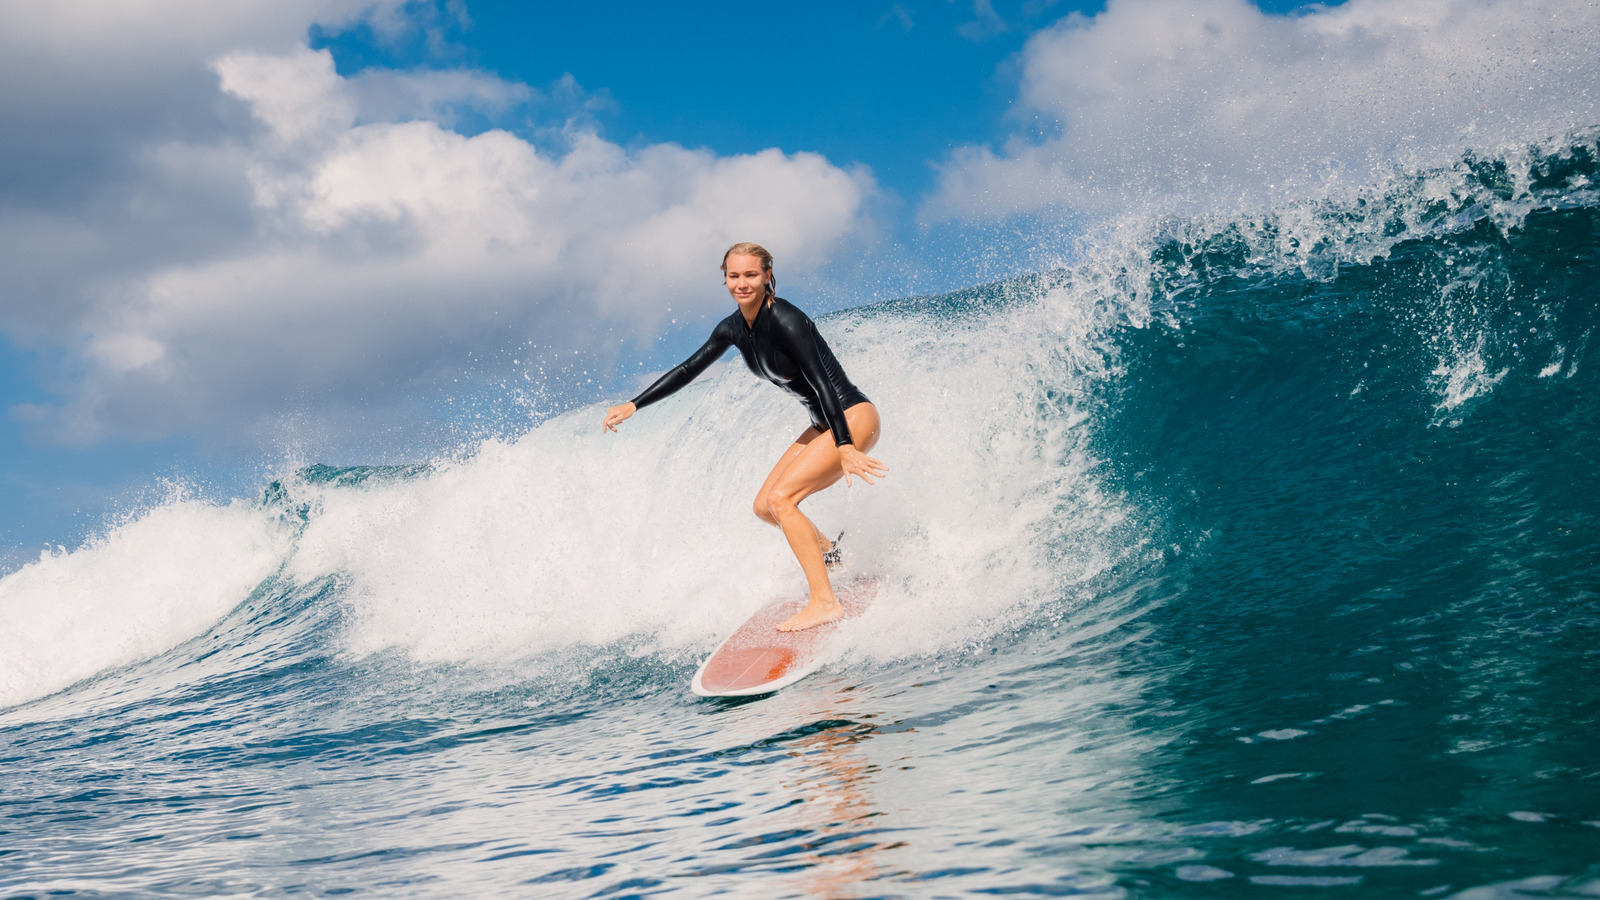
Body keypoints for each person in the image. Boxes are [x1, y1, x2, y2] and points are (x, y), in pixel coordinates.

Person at [602, 242, 887, 631]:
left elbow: (822, 384)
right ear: (725, 279)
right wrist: (634, 405)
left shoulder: (785, 318)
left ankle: (824, 601)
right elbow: (689, 368)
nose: (742, 283)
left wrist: (845, 446)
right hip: (826, 425)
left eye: (751, 275)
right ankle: (834, 558)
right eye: (734, 276)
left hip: (851, 417)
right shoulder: (734, 328)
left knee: (781, 499)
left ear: (768, 275)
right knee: (765, 507)